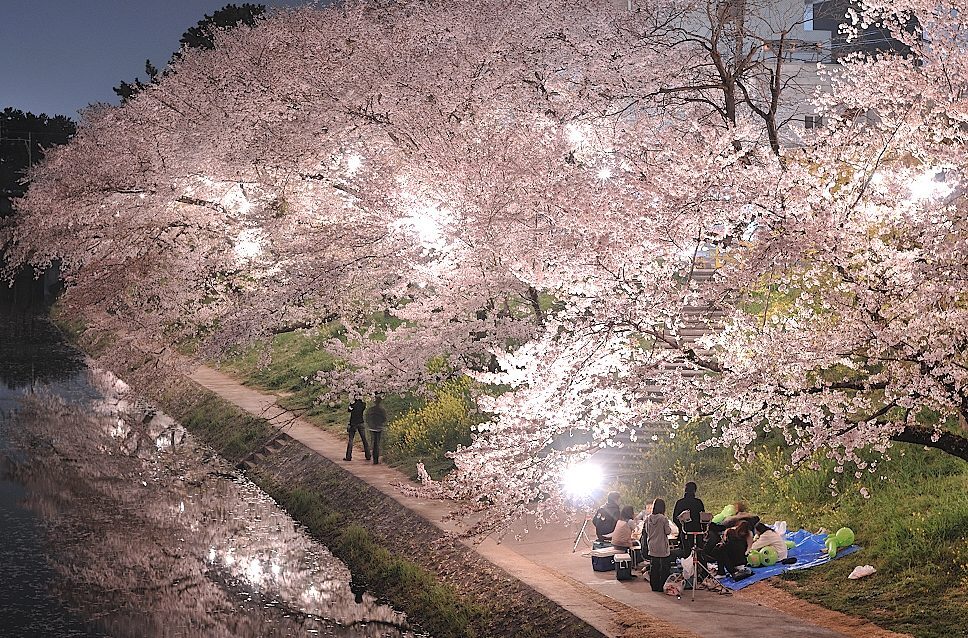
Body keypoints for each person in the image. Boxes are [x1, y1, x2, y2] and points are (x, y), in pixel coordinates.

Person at [643, 498, 672, 592]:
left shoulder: (648, 518)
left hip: (651, 545)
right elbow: (667, 532)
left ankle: (654, 586)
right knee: (664, 567)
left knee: (654, 566)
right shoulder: (663, 519)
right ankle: (661, 585)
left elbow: (647, 531)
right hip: (662, 545)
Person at [673, 481, 705, 558]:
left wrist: (681, 527)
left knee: (687, 553)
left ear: (685, 490)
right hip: (698, 531)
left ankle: (688, 568)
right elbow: (703, 517)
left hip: (685, 532)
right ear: (695, 491)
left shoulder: (680, 503)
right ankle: (700, 568)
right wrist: (703, 529)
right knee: (699, 553)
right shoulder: (698, 502)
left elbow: (675, 518)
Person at [365, 395, 387, 465]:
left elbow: (367, 417)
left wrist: (370, 424)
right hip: (379, 427)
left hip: (372, 427)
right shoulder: (382, 410)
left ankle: (374, 458)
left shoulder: (371, 409)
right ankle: (376, 459)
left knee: (373, 442)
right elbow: (384, 418)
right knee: (377, 443)